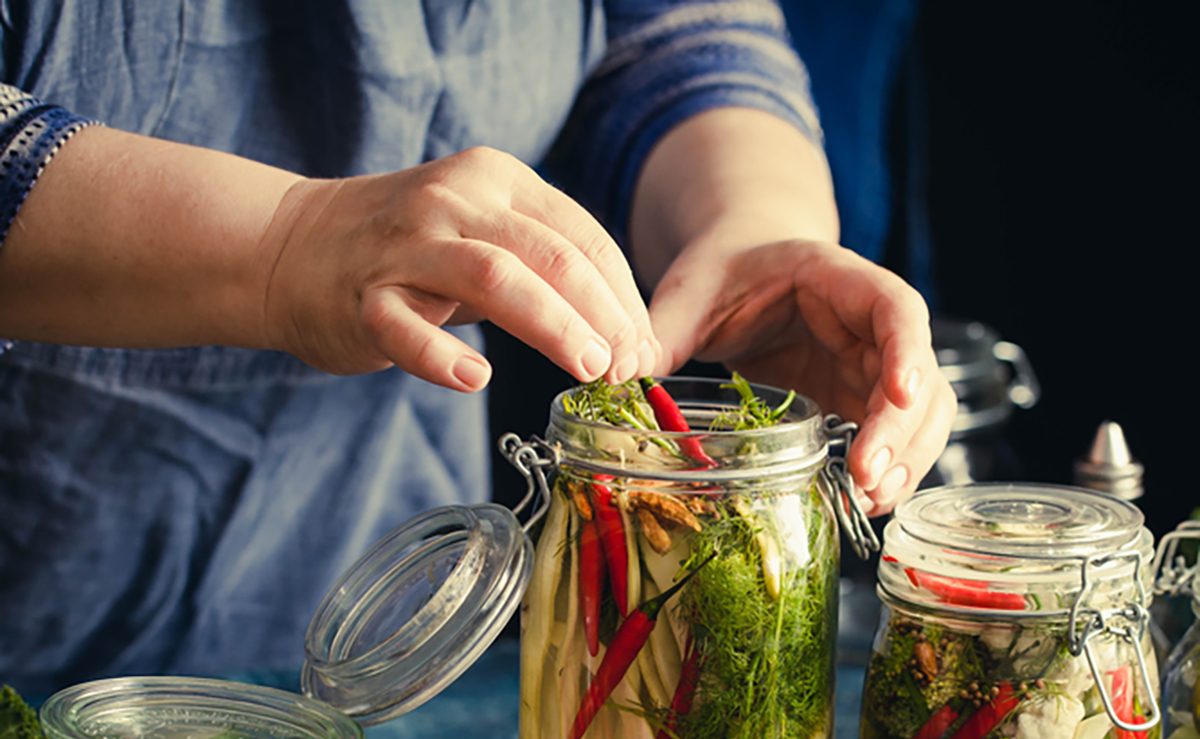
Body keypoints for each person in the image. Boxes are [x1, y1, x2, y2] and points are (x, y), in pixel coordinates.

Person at [0, 1, 955, 696]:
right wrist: (282, 240)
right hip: (41, 636)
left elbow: (674, 43)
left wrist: (754, 226)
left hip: (395, 656)